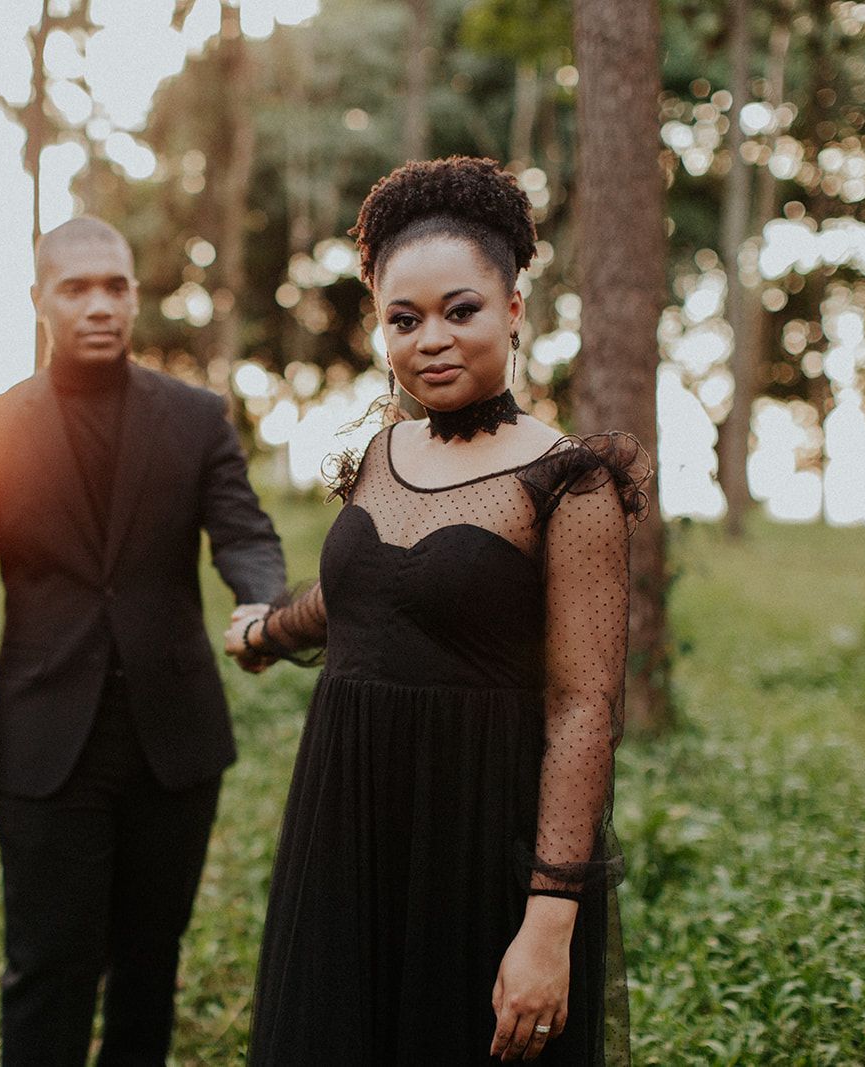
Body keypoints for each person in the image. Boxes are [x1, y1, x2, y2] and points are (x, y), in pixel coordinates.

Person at [224, 157, 648, 1065]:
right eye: (403, 320)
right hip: (346, 819)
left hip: (476, 837)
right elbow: (359, 597)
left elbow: (583, 707)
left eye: (462, 311)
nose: (432, 340)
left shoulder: (570, 482)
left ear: (515, 310)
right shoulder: (380, 453)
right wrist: (265, 632)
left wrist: (549, 923)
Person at [0, 216, 287, 1066]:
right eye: (77, 288)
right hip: (45, 741)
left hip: (176, 741)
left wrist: (262, 604)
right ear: (40, 301)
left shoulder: (196, 418)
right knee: (49, 967)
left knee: (148, 964)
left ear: (136, 294)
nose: (100, 305)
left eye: (116, 286)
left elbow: (243, 531)